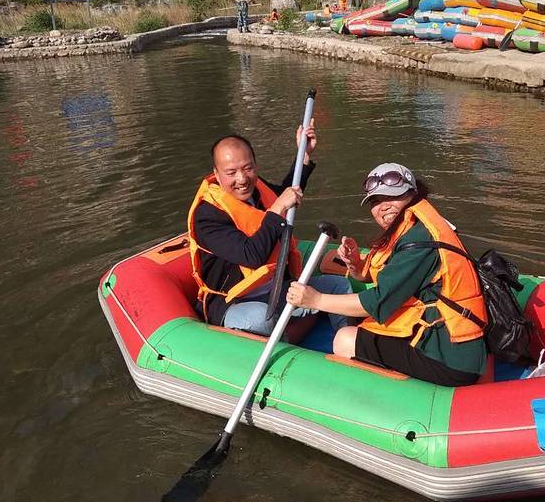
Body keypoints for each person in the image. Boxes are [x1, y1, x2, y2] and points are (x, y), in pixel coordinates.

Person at [286, 163, 488, 386]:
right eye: (376, 201)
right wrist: (355, 264)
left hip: (449, 358)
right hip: (452, 342)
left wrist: (316, 300)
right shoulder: (417, 227)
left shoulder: (420, 240)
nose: (383, 207)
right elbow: (389, 277)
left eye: (392, 196)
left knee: (344, 339)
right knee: (362, 324)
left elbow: (378, 302)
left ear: (413, 194)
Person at [188, 125, 351, 339]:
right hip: (234, 302)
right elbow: (252, 256)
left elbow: (286, 192)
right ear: (217, 175)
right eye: (231, 173)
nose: (242, 179)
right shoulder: (207, 216)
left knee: (337, 285)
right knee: (260, 319)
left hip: (274, 290)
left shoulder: (257, 189)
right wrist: (277, 210)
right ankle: (292, 351)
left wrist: (304, 155)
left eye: (248, 168)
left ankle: (349, 342)